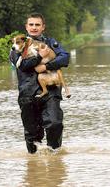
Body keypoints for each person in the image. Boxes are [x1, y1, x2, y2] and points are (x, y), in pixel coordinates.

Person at [9, 13, 70, 154]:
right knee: (32, 134)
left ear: (43, 27)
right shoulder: (17, 44)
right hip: (27, 94)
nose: (34, 27)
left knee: (55, 124)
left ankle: (55, 159)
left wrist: (46, 66)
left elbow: (65, 58)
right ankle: (33, 165)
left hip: (51, 91)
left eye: (37, 25)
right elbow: (23, 65)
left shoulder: (50, 42)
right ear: (26, 27)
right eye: (31, 24)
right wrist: (39, 56)